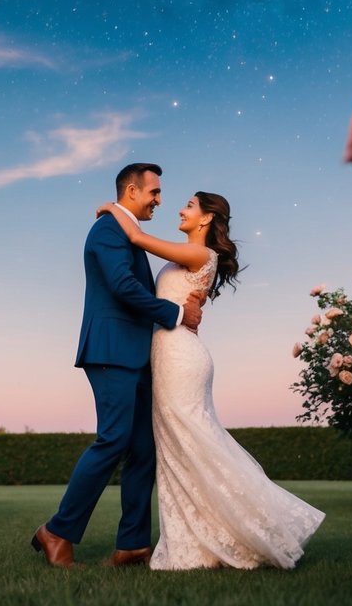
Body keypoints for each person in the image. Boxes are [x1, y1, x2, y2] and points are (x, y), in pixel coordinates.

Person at [98, 190, 325, 570]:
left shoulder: (201, 254)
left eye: (189, 205)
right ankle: (197, 540)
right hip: (171, 353)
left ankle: (255, 526)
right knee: (179, 447)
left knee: (193, 442)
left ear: (205, 219)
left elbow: (137, 239)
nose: (181, 210)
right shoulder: (190, 256)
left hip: (180, 358)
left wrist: (112, 209)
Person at [31, 163, 204, 568]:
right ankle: (56, 531)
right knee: (113, 440)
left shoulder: (123, 228)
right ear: (132, 190)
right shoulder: (107, 230)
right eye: (154, 192)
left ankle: (132, 544)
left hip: (139, 355)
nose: (160, 200)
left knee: (144, 448)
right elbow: (123, 286)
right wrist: (176, 313)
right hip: (110, 351)